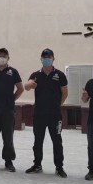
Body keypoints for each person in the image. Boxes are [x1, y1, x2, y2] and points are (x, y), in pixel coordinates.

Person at [24, 49, 68, 177]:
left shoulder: (60, 75)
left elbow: (65, 93)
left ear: (53, 59)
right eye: (44, 57)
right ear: (41, 59)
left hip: (55, 115)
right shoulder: (35, 75)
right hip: (39, 114)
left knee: (57, 141)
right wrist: (29, 84)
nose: (46, 59)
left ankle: (59, 167)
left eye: (49, 57)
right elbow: (26, 87)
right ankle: (37, 165)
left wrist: (57, 105)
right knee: (38, 140)